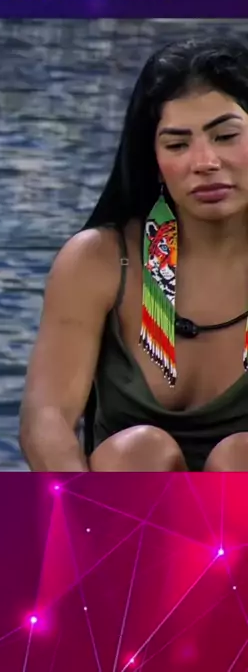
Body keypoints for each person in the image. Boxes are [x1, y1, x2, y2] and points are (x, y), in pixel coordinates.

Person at [20, 36, 248, 472]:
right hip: (122, 503)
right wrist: (78, 501)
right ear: (154, 158)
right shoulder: (100, 260)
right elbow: (46, 419)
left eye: (226, 136)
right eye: (177, 144)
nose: (205, 161)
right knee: (141, 451)